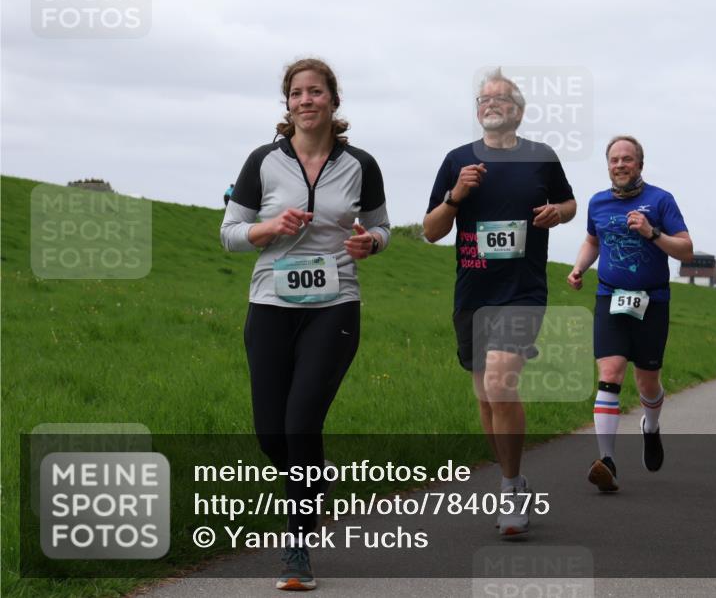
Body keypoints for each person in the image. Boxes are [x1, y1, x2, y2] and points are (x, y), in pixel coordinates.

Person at [220, 58, 390, 590]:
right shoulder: (262, 162)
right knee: (272, 434)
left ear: (333, 102)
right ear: (287, 104)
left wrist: (371, 243)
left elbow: (381, 226)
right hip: (270, 303)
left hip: (334, 307)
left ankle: (297, 548)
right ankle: (318, 479)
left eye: (316, 92)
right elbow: (228, 232)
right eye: (297, 93)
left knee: (300, 424)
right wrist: (268, 227)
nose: (306, 100)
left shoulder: (361, 163)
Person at [423, 68, 576, 535]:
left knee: (500, 382)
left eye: (502, 99)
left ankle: (509, 489)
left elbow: (570, 205)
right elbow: (430, 231)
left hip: (522, 292)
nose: (491, 104)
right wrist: (456, 196)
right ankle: (516, 478)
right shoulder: (457, 161)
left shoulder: (541, 158)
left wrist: (558, 213)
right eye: (484, 99)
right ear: (477, 112)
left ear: (519, 111)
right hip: (473, 293)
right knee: (485, 397)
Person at [567, 135, 693, 492]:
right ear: (608, 166)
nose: (620, 165)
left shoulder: (660, 200)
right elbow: (593, 240)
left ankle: (650, 428)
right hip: (611, 297)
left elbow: (685, 249)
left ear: (640, 164)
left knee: (647, 381)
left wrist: (652, 233)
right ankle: (606, 461)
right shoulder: (598, 203)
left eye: (627, 159)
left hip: (652, 300)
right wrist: (579, 268)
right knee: (610, 372)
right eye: (614, 160)